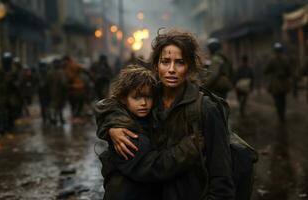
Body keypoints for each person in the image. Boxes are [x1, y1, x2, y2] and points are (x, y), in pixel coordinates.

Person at [97, 29, 234, 199]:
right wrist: (113, 124)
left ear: (189, 67)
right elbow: (111, 104)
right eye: (165, 61)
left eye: (180, 62)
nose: (171, 69)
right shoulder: (147, 99)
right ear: (156, 65)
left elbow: (221, 177)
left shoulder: (206, 109)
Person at [96, 64, 201, 200]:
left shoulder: (146, 118)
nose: (144, 103)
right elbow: (154, 167)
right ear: (123, 99)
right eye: (137, 98)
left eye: (148, 97)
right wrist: (189, 148)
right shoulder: (126, 133)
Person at [265, 42, 292, 123]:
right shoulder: (286, 59)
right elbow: (289, 72)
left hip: (275, 83)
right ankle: (282, 115)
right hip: (284, 83)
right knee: (283, 99)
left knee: (277, 100)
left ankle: (280, 116)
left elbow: (266, 70)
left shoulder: (272, 59)